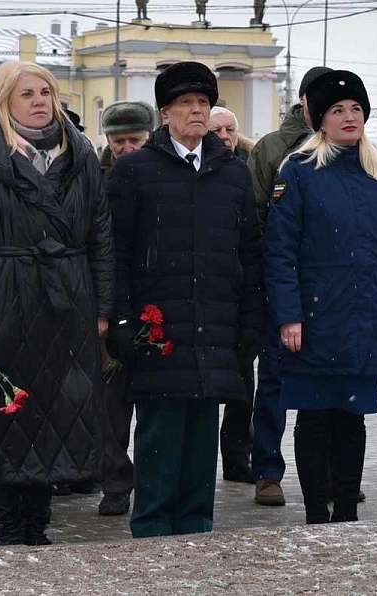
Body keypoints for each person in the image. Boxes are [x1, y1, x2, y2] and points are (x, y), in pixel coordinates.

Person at [0, 61, 113, 546]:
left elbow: (101, 235)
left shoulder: (80, 155)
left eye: (45, 92)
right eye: (26, 94)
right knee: (5, 408)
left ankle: (37, 518)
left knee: (55, 411)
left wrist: (101, 306)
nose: (38, 101)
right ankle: (8, 519)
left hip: (66, 297)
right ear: (4, 102)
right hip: (4, 297)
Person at [107, 61, 263, 538]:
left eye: (203, 104)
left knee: (201, 441)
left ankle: (196, 531)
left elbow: (250, 253)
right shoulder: (135, 171)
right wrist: (120, 320)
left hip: (215, 326)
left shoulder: (233, 174)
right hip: (159, 329)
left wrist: (251, 321)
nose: (196, 112)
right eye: (185, 104)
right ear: (165, 113)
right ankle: (152, 532)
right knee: (159, 436)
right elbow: (117, 252)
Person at [265, 70, 377, 525]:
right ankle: (315, 512)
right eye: (337, 110)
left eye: (356, 109)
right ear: (321, 120)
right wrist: (289, 316)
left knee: (352, 420)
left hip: (363, 319)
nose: (349, 117)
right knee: (313, 417)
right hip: (313, 321)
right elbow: (280, 251)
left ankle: (347, 511)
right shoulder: (298, 171)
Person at [246, 66, 330, 508]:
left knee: (332, 385)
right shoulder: (273, 149)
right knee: (275, 381)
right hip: (282, 284)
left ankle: (335, 472)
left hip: (333, 288)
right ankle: (267, 471)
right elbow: (257, 216)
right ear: (303, 101)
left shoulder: (351, 147)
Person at [95, 100, 154, 517]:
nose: (128, 147)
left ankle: (151, 480)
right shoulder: (94, 178)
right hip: (107, 301)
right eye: (120, 141)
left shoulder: (163, 174)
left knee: (152, 403)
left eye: (136, 139)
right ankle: (115, 482)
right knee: (111, 407)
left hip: (153, 304)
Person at [205, 104, 257, 484]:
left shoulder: (249, 168)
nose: (224, 136)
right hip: (207, 295)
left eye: (230, 129)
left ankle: (238, 458)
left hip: (240, 294)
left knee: (242, 386)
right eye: (216, 130)